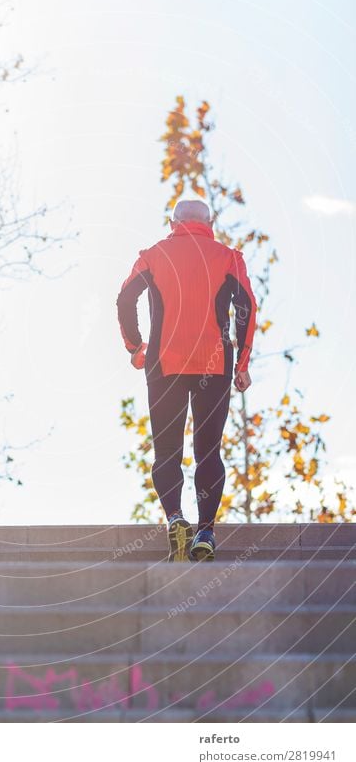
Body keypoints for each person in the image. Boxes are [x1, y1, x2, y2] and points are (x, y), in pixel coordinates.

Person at [116, 199, 257, 562]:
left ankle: (176, 518)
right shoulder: (229, 257)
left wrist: (135, 346)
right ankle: (206, 531)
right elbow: (247, 308)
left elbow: (125, 298)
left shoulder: (153, 254)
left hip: (164, 364)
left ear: (173, 221)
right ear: (209, 223)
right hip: (214, 364)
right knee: (208, 451)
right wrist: (241, 362)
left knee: (167, 452)